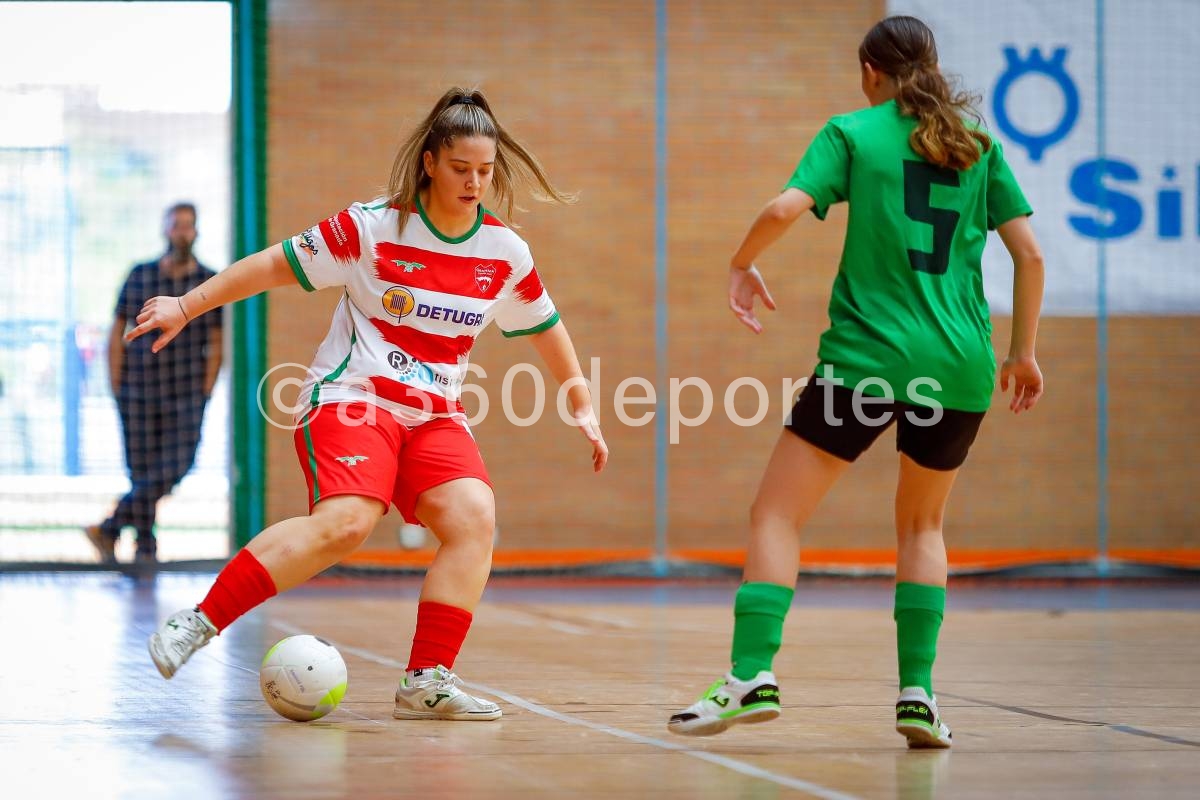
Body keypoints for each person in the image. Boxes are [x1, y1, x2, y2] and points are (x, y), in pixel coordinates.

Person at [132, 88, 608, 721]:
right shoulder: (371, 227)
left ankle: (426, 681)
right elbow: (271, 267)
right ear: (432, 162)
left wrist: (580, 401)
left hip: (434, 412)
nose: (474, 183)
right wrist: (187, 305)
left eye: (485, 171)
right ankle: (198, 621)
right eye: (461, 168)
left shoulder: (503, 253)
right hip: (353, 396)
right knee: (348, 524)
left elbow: (546, 325)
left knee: (474, 517)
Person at [667, 16, 1044, 748]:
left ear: (870, 71)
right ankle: (917, 696)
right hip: (961, 363)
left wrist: (741, 264)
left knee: (776, 515)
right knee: (922, 527)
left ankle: (751, 676)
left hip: (868, 359)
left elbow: (784, 208)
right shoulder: (980, 146)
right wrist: (1022, 352)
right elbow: (1030, 256)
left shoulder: (851, 132)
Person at [85, 202, 223, 565]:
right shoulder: (140, 275)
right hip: (138, 390)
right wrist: (115, 383)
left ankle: (110, 527)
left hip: (187, 391)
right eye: (176, 225)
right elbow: (117, 330)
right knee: (141, 470)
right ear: (165, 230)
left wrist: (207, 389)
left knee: (177, 465)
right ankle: (145, 550)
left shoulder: (209, 280)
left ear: (196, 232)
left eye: (188, 226)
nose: (182, 232)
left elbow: (218, 337)